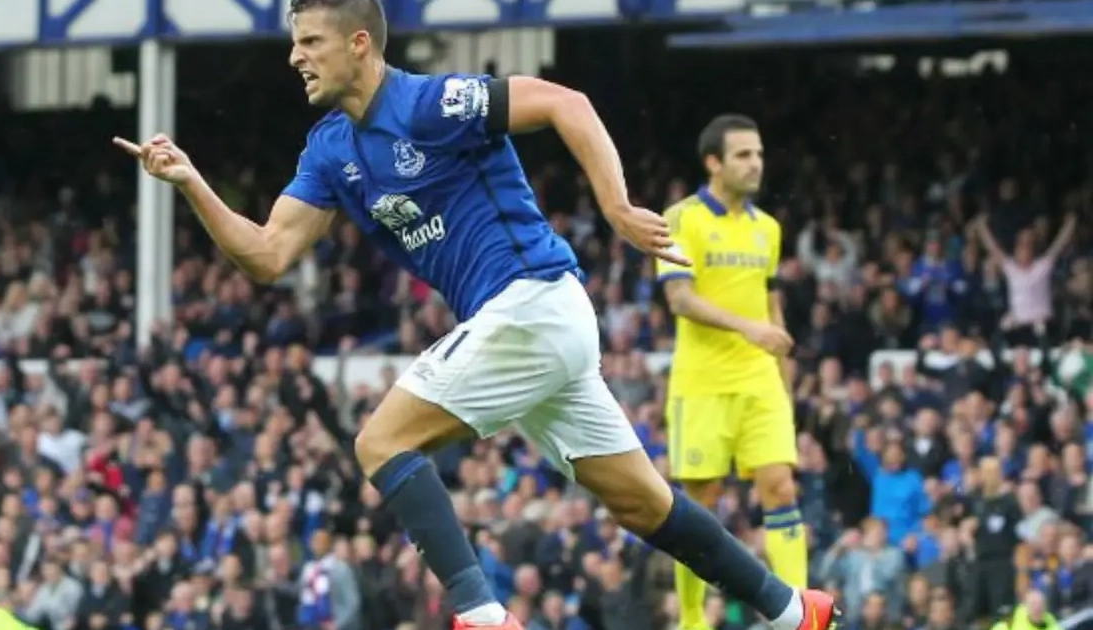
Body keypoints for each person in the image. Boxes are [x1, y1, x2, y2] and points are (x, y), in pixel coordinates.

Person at [113, 1, 842, 629]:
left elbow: (566, 103)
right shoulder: (331, 149)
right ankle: (790, 609)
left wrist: (617, 207)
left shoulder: (431, 103)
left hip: (531, 301)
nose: (294, 56)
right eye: (294, 42)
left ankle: (482, 615)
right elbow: (268, 255)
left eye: (310, 41)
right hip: (531, 328)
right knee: (642, 504)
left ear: (359, 43)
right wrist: (191, 182)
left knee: (381, 441)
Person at [656, 115, 807, 630]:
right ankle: (692, 619)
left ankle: (801, 615)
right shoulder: (681, 218)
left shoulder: (769, 229)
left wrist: (785, 384)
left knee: (780, 487)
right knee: (699, 504)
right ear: (714, 163)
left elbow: (772, 306)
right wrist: (750, 328)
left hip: (759, 379)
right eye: (743, 154)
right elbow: (680, 299)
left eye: (759, 153)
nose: (756, 163)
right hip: (702, 383)